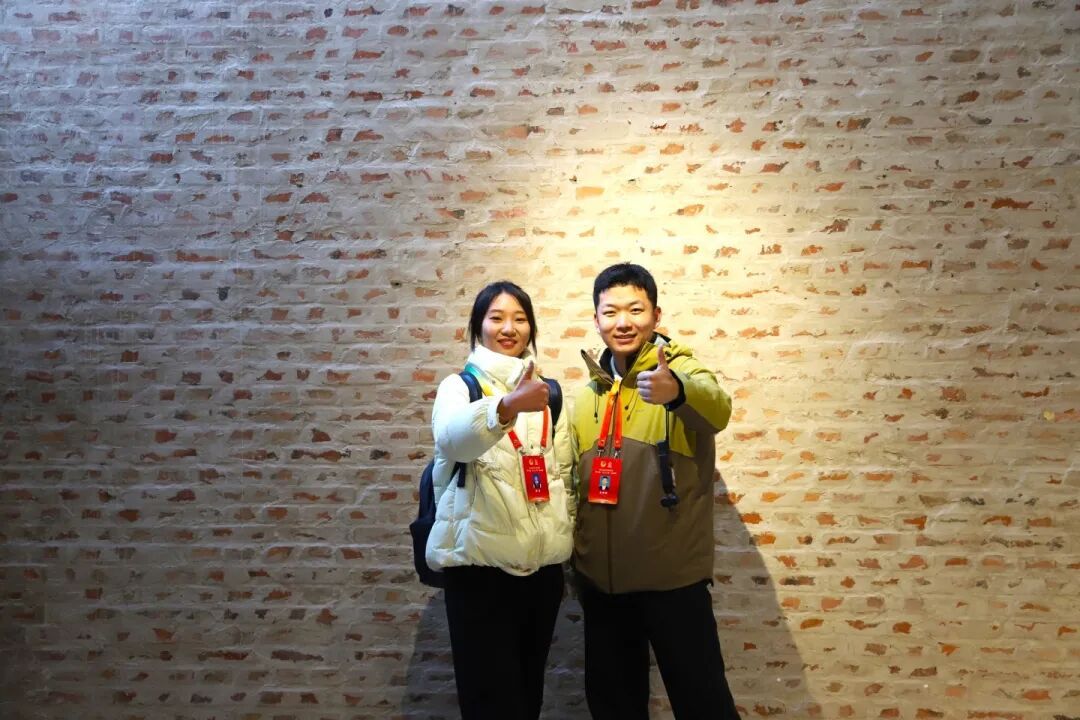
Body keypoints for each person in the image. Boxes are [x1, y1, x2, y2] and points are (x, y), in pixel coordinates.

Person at [571, 263, 741, 720]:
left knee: (704, 704)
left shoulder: (679, 370)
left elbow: (719, 410)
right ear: (596, 320)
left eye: (635, 309)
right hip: (603, 587)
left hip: (673, 583)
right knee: (614, 708)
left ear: (656, 315)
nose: (622, 322)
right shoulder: (589, 396)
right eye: (610, 312)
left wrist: (678, 391)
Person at [426, 281, 576, 720]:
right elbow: (453, 441)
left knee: (527, 699)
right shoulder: (460, 386)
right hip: (479, 573)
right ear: (478, 326)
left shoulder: (550, 395)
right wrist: (506, 407)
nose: (509, 328)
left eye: (520, 319)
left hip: (541, 573)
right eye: (496, 318)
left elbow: (563, 475)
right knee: (489, 702)